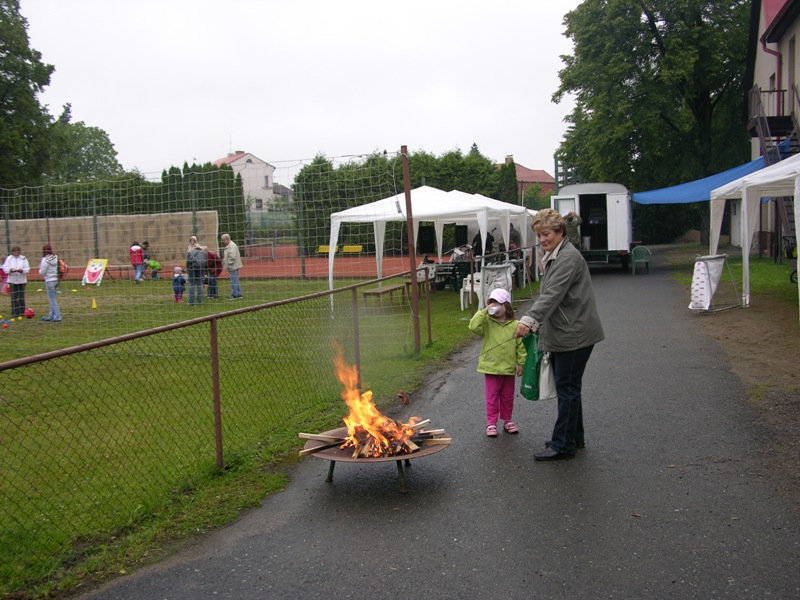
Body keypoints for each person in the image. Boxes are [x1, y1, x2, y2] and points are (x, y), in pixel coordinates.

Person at [515, 208, 604, 461]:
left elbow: (552, 294)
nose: (542, 239)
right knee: (570, 388)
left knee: (567, 389)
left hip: (574, 333)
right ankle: (574, 437)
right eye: (539, 235)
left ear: (560, 232)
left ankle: (563, 445)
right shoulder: (557, 254)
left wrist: (529, 319)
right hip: (570, 329)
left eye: (547, 234)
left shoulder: (567, 257)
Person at [469, 288, 527, 437]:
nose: (494, 306)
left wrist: (521, 363)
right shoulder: (488, 323)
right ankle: (491, 423)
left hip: (508, 368)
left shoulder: (515, 325)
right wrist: (484, 311)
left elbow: (520, 346)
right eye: (492, 303)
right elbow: (473, 326)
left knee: (507, 396)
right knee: (492, 397)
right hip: (491, 367)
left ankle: (507, 420)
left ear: (506, 306)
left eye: (497, 303)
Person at [2, 245, 30, 318]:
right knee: (14, 297)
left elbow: (27, 269)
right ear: (12, 252)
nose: (17, 253)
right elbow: (5, 268)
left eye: (18, 252)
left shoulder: (23, 258)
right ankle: (15, 312)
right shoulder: (9, 259)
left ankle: (22, 311)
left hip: (21, 280)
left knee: (21, 297)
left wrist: (22, 271)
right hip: (12, 280)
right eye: (15, 252)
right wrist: (10, 270)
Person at [38, 244, 62, 322]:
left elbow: (42, 272)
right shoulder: (55, 257)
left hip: (49, 280)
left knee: (52, 300)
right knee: (53, 298)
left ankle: (58, 316)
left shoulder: (45, 260)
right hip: (56, 280)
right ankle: (51, 316)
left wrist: (39, 271)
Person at [185, 235, 208, 305]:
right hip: (201, 268)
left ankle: (191, 301)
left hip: (192, 268)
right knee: (200, 284)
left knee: (191, 284)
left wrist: (188, 268)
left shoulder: (190, 252)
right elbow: (205, 261)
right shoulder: (204, 253)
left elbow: (187, 261)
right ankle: (200, 301)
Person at [221, 233, 242, 300]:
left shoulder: (231, 246)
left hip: (233, 266)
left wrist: (227, 264)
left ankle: (234, 294)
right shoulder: (230, 245)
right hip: (233, 265)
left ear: (227, 239)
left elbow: (232, 257)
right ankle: (239, 294)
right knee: (235, 280)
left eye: (223, 240)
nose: (222, 242)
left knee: (233, 281)